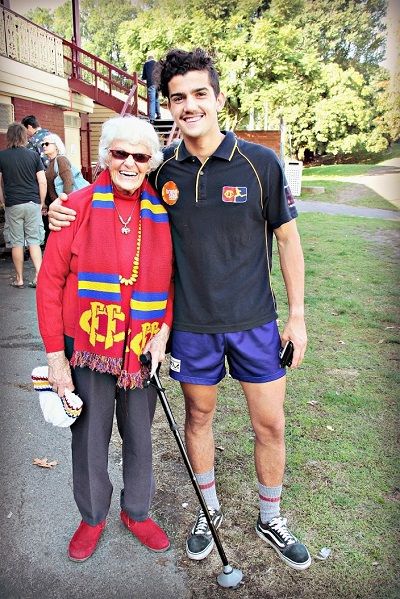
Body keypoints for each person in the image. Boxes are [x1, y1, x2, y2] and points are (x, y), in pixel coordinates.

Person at [47, 48, 311, 571]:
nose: (189, 105)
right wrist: (63, 208)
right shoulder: (161, 168)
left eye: (199, 94)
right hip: (190, 327)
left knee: (270, 426)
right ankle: (207, 512)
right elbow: (113, 188)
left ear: (218, 98)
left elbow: (287, 239)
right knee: (199, 418)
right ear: (168, 105)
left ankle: (271, 517)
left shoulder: (260, 163)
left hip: (254, 322)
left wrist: (297, 315)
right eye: (178, 97)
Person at [36, 115, 174, 562]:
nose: (130, 163)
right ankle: (93, 516)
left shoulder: (163, 213)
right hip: (87, 348)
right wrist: (56, 358)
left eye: (140, 156)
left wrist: (163, 331)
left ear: (151, 161)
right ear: (105, 156)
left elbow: (171, 282)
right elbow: (49, 284)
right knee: (90, 436)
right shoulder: (74, 207)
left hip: (141, 349)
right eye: (120, 153)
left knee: (139, 434)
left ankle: (136, 512)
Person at [0, 122, 46, 288]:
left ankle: (19, 279)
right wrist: (41, 202)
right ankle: (39, 276)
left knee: (17, 243)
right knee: (34, 241)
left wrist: (3, 202)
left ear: (9, 137)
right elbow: (42, 182)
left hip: (13, 204)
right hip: (32, 202)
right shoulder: (33, 156)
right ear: (24, 136)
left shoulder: (2, 156)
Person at [41, 133, 73, 245]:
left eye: (47, 144)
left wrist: (65, 203)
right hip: (54, 207)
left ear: (56, 146)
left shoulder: (61, 160)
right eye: (42, 144)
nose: (44, 146)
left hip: (62, 207)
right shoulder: (50, 163)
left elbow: (68, 181)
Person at [141, 55, 161, 123]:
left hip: (151, 84)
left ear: (148, 59)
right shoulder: (157, 64)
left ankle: (152, 118)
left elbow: (144, 76)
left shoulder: (146, 64)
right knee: (156, 99)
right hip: (158, 84)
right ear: (153, 58)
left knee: (152, 100)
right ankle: (159, 115)